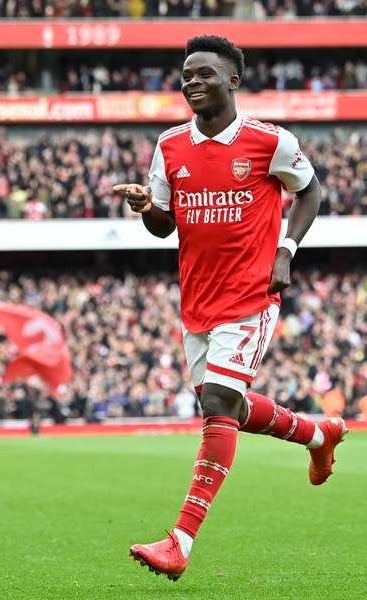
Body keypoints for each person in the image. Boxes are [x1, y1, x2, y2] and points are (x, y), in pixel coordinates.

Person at [113, 35, 349, 582]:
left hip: (249, 296)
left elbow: (310, 191)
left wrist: (286, 250)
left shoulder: (270, 142)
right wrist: (148, 209)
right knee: (232, 409)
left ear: (232, 82)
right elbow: (164, 226)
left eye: (204, 74)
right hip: (196, 299)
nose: (192, 82)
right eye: (186, 75)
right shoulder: (169, 146)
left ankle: (180, 540)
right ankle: (318, 435)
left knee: (217, 403)